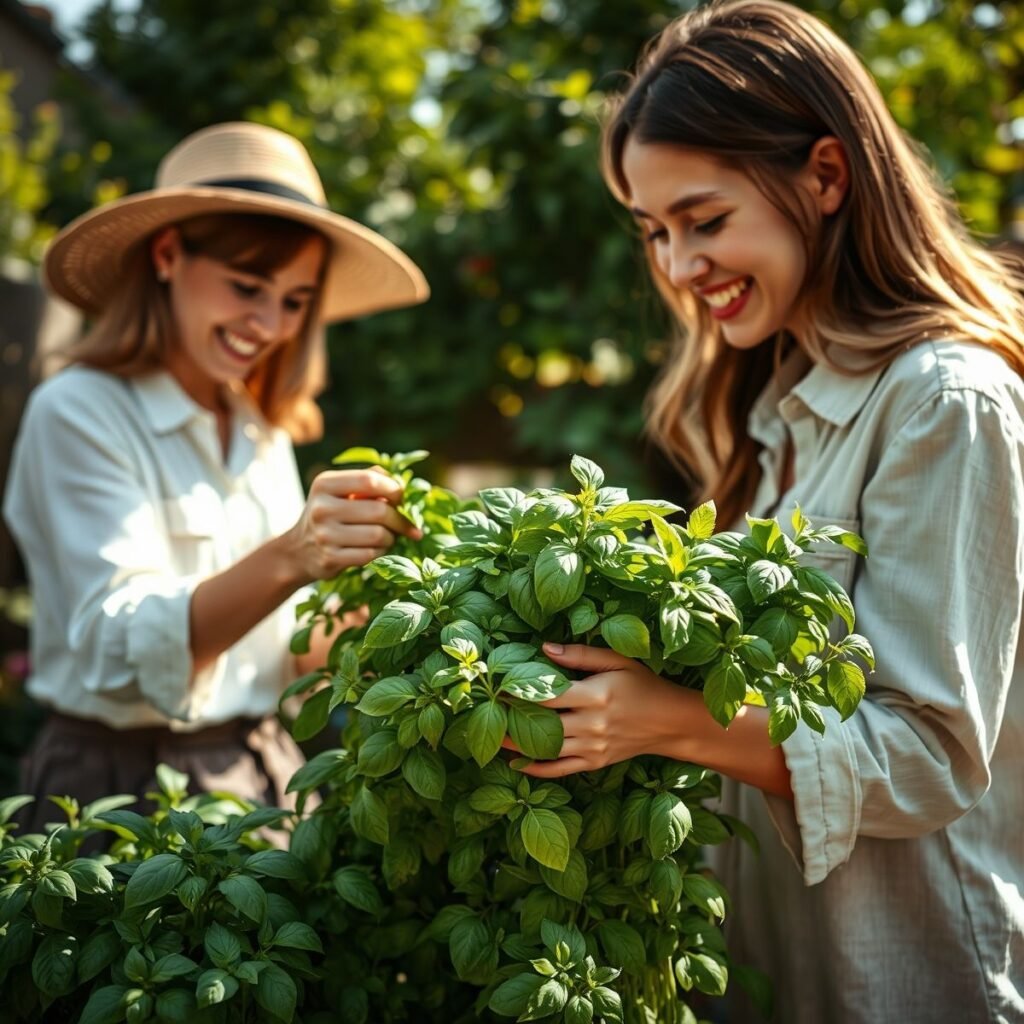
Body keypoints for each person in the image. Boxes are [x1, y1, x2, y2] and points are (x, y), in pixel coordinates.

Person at [511, 3, 1024, 1021]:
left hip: (908, 977)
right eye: (655, 232)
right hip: (779, 963)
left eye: (704, 220)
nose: (677, 265)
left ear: (826, 177)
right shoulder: (781, 406)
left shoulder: (943, 399)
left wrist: (668, 720)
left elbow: (926, 755)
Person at [3, 121, 428, 831]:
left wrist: (383, 616)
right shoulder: (80, 410)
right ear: (167, 255)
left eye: (295, 301)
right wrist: (296, 554)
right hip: (117, 789)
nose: (269, 324)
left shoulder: (259, 427)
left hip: (262, 768)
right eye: (247, 286)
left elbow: (282, 649)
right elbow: (120, 647)